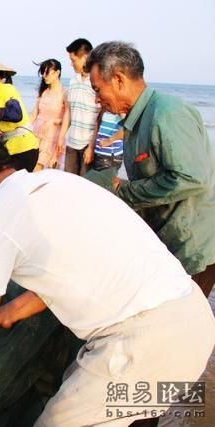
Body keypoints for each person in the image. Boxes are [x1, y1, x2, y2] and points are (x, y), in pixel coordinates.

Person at [0, 129, 215, 426]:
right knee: (112, 412)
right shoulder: (61, 182)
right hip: (195, 327)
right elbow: (78, 263)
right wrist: (13, 309)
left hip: (143, 345)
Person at [86, 41, 215, 298]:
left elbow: (191, 177)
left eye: (98, 90)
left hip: (194, 246)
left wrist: (125, 191)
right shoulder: (136, 120)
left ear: (119, 79)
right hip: (168, 241)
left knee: (185, 326)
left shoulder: (167, 113)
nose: (97, 100)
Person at [60, 38, 100, 176]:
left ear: (85, 57)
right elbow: (68, 112)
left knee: (84, 185)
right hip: (71, 143)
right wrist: (61, 137)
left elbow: (99, 118)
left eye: (73, 60)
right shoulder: (73, 82)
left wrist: (91, 147)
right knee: (68, 182)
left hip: (87, 144)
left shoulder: (96, 83)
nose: (71, 64)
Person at [30, 59, 68, 171]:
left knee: (39, 169)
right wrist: (22, 128)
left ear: (57, 73)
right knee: (33, 168)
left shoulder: (64, 93)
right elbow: (34, 114)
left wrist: (54, 121)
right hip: (37, 135)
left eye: (47, 72)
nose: (44, 76)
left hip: (53, 137)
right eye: (42, 73)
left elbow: (69, 119)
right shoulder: (44, 92)